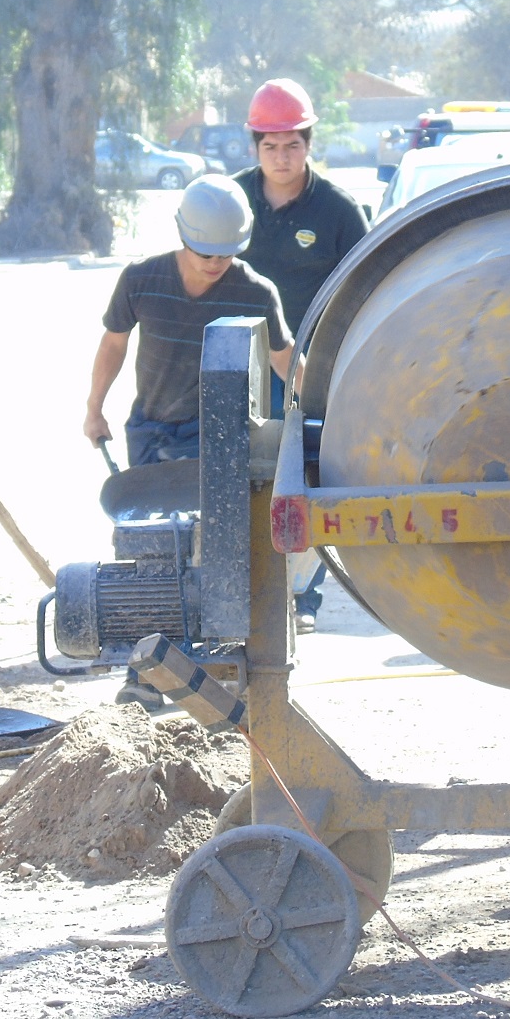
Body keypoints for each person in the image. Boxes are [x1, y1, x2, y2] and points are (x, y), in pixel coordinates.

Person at [84, 174, 292, 703]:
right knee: (152, 549)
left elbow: (287, 361)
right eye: (203, 252)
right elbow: (112, 345)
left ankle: (216, 665)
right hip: (151, 427)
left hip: (215, 434)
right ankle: (147, 671)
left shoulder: (253, 291)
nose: (213, 263)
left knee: (210, 548)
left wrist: (321, 413)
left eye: (224, 254)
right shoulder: (141, 280)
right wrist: (94, 409)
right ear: (182, 235)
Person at [231, 78, 367, 630]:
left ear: (308, 144)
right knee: (242, 478)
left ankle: (303, 597)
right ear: (255, 148)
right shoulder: (231, 201)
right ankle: (247, 593)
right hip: (239, 368)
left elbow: (363, 286)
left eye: (292, 145)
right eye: (270, 147)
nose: (281, 157)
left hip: (310, 370)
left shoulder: (337, 211)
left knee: (308, 476)